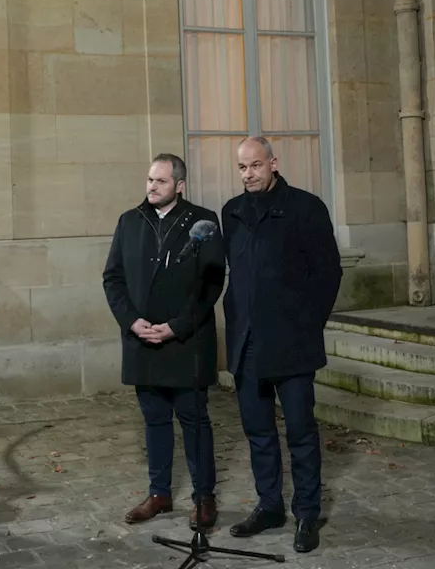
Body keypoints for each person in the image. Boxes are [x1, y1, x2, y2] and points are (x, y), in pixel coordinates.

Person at [221, 136, 341, 553]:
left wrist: (307, 326)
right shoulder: (231, 212)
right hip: (247, 343)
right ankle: (269, 505)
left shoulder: (306, 207)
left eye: (255, 165)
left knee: (301, 432)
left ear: (273, 163)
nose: (248, 174)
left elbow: (328, 275)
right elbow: (235, 275)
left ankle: (307, 512)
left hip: (292, 342)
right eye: (242, 167)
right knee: (258, 431)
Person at [103, 153, 226, 530]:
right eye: (149, 180)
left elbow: (211, 285)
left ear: (179, 185)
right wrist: (132, 321)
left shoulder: (203, 222)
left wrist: (177, 326)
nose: (152, 187)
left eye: (161, 181)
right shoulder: (129, 221)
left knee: (194, 421)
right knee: (154, 420)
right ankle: (159, 494)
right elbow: (113, 279)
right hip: (142, 341)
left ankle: (204, 497)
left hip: (185, 343)